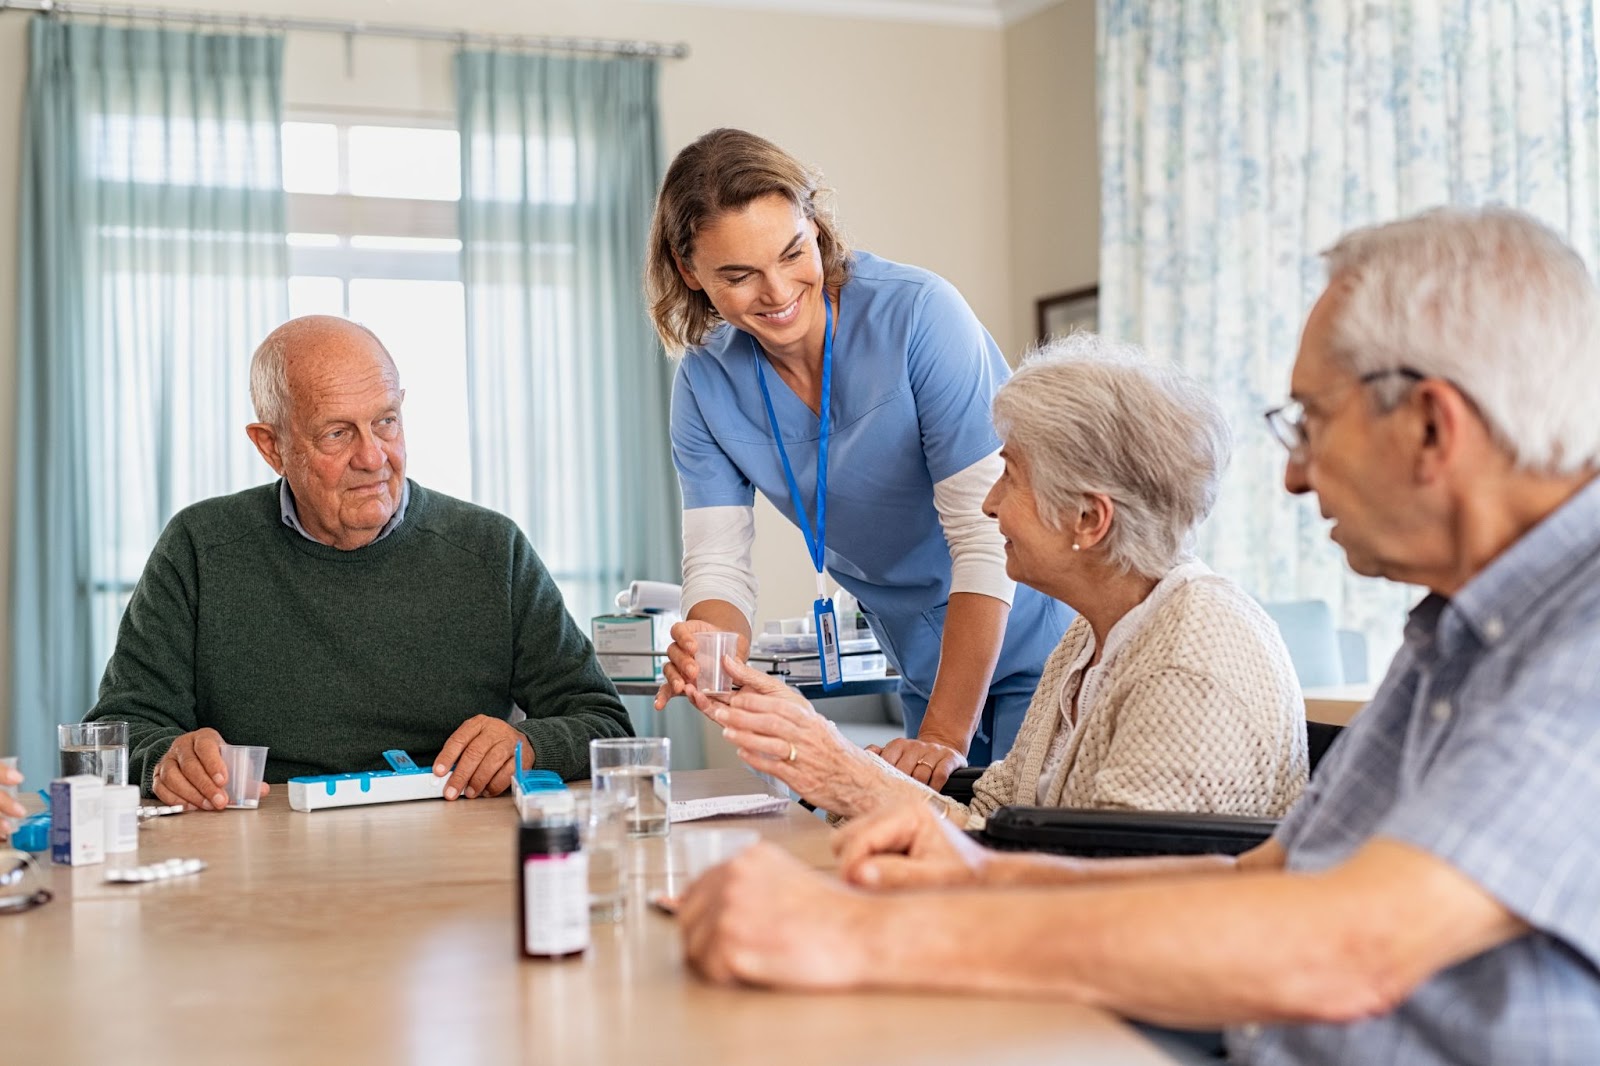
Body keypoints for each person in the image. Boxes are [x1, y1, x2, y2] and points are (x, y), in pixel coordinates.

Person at [677, 207, 1600, 1065]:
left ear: (1434, 427)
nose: (1294, 479)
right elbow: (1269, 878)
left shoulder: (1579, 643)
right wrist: (977, 878)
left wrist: (858, 934)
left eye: (1311, 423)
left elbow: (1349, 948)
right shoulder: (1460, 631)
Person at [684, 335, 1306, 825]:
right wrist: (826, 764)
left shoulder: (1185, 667)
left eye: (1009, 477)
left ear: (1088, 519)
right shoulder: (1092, 641)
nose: (989, 505)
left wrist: (846, 772)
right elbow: (992, 822)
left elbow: (1102, 901)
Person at [647, 127, 1070, 786]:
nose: (778, 291)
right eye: (738, 275)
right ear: (689, 271)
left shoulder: (920, 317)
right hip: (925, 667)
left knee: (1020, 858)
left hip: (1041, 642)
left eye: (793, 252)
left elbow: (985, 540)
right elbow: (719, 568)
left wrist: (941, 741)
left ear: (815, 226)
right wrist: (710, 649)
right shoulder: (706, 383)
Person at [84, 316, 633, 811]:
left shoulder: (492, 548)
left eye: (386, 422)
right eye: (337, 433)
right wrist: (164, 759)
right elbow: (113, 733)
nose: (373, 458)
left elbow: (606, 725)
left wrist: (532, 744)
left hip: (446, 847)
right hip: (263, 851)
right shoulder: (200, 546)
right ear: (271, 447)